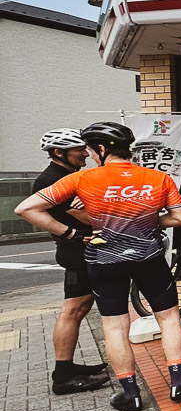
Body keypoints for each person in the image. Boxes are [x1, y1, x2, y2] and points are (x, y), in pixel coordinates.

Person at [14, 122, 181, 411]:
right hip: (149, 259)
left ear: (102, 149)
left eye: (91, 150)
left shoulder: (82, 179)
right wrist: (144, 222)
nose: (89, 155)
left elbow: (25, 209)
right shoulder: (158, 177)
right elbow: (180, 219)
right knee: (168, 318)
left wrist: (69, 234)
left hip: (104, 259)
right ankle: (178, 384)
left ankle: (131, 394)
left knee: (115, 325)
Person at [32, 129, 110, 395]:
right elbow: (84, 216)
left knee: (80, 306)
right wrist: (74, 233)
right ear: (59, 153)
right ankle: (62, 376)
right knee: (73, 309)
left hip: (81, 250)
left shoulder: (66, 176)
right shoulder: (52, 180)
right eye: (79, 150)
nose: (85, 154)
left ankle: (68, 367)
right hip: (76, 251)